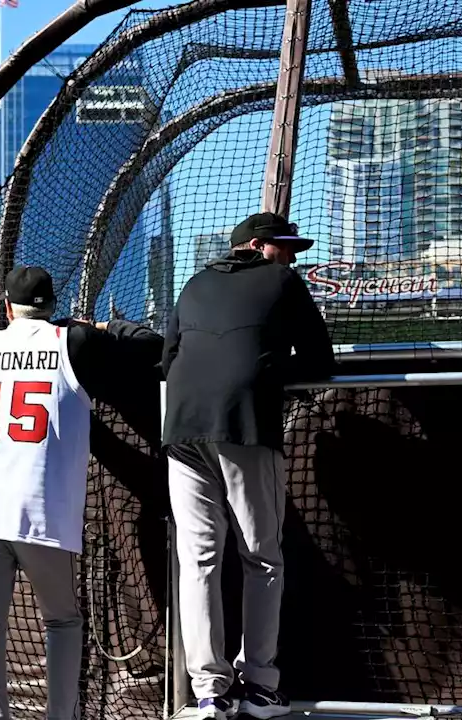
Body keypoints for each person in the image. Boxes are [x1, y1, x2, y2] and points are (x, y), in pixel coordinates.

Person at [0, 265, 164, 720]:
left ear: (8, 307)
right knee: (63, 621)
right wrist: (105, 327)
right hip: (38, 507)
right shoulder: (73, 340)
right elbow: (153, 347)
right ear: (52, 304)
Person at [162, 212, 334, 720]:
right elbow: (321, 361)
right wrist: (269, 366)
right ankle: (259, 686)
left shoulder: (193, 282)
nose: (293, 257)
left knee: (198, 561)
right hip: (243, 424)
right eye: (286, 247)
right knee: (261, 558)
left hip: (182, 427)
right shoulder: (280, 279)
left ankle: (210, 691)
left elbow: (168, 359)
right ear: (259, 246)